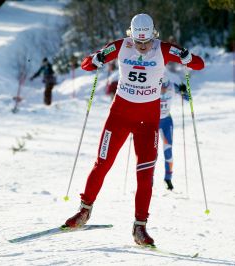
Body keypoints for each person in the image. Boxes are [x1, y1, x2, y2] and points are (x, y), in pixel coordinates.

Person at [64, 13, 204, 247]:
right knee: (102, 163)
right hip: (119, 117)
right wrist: (96, 59)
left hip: (148, 123)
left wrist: (188, 57)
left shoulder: (166, 49)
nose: (141, 47)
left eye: (146, 42)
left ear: (153, 36)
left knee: (145, 174)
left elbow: (199, 64)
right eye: (138, 43)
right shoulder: (120, 46)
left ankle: (140, 227)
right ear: (131, 36)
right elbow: (86, 64)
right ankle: (84, 211)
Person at [159, 74, 188, 191]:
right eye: (161, 87)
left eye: (165, 87)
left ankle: (168, 178)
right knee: (151, 153)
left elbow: (187, 98)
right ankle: (149, 179)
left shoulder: (172, 86)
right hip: (153, 122)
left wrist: (184, 90)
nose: (164, 90)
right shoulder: (152, 87)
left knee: (168, 151)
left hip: (166, 122)